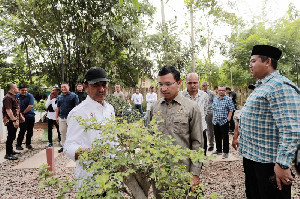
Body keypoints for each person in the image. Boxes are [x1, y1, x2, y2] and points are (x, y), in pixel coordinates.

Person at [232, 45, 300, 199]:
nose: (250, 65)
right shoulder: (262, 86)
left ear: (268, 61)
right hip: (254, 158)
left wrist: (282, 164)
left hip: (269, 164)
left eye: (253, 61)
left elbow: (292, 129)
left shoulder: (280, 86)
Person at [149, 66, 203, 198]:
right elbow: (149, 138)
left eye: (168, 84)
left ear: (179, 83)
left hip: (182, 173)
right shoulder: (154, 107)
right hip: (159, 172)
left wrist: (195, 173)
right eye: (160, 84)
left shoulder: (191, 107)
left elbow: (197, 143)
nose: (163, 88)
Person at [64, 67, 115, 188]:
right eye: (96, 85)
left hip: (111, 175)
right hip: (90, 177)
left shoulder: (110, 109)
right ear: (85, 87)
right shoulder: (78, 113)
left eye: (104, 85)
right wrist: (90, 153)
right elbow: (69, 147)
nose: (101, 89)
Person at [181, 73, 208, 155]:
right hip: (185, 131)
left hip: (201, 129)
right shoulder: (180, 96)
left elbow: (205, 110)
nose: (192, 85)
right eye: (190, 83)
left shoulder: (204, 96)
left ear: (198, 83)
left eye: (195, 83)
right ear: (185, 83)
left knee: (201, 154)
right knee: (185, 155)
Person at [212, 86, 235, 159]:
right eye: (219, 90)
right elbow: (213, 109)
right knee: (217, 136)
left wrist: (228, 119)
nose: (221, 91)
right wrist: (213, 117)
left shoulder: (228, 99)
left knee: (225, 137)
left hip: (224, 121)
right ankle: (218, 150)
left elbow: (231, 110)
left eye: (222, 90)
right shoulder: (215, 99)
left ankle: (225, 152)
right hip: (216, 121)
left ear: (225, 91)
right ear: (217, 91)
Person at [56, 82, 79, 153]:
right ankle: (64, 146)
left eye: (64, 87)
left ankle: (73, 147)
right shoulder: (60, 97)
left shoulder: (74, 96)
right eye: (62, 87)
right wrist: (56, 117)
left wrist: (76, 117)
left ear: (68, 87)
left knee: (72, 132)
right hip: (62, 117)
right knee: (62, 131)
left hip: (71, 117)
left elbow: (77, 106)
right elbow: (58, 107)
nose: (63, 88)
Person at [2, 83, 23, 160]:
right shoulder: (7, 97)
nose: (17, 88)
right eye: (16, 87)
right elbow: (8, 110)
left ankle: (11, 151)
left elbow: (16, 108)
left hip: (15, 119)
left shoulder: (13, 96)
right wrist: (14, 120)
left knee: (13, 135)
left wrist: (20, 116)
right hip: (10, 120)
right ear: (12, 89)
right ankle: (8, 154)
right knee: (10, 136)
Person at [16, 84, 35, 150]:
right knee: (22, 130)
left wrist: (23, 113)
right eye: (22, 90)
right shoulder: (16, 96)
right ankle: (18, 145)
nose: (24, 91)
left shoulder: (30, 96)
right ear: (19, 90)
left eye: (25, 90)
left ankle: (28, 144)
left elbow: (30, 105)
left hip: (30, 115)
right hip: (21, 117)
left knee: (30, 131)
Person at [201, 81, 216, 151]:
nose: (204, 87)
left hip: (209, 113)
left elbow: (215, 103)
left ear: (208, 86)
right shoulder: (199, 93)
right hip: (201, 113)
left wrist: (213, 112)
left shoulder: (211, 93)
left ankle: (211, 144)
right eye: (202, 86)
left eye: (205, 85)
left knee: (210, 129)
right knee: (201, 129)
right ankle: (203, 144)